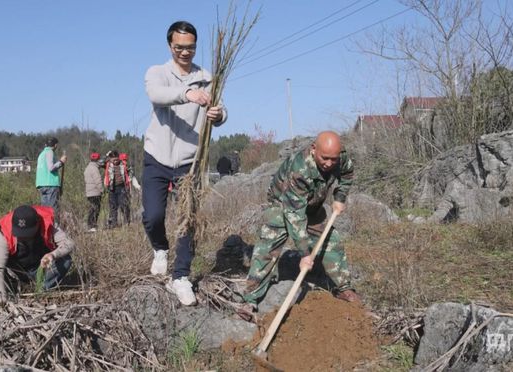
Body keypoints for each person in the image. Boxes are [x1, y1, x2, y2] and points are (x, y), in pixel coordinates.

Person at [142, 20, 227, 305]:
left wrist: (219, 115)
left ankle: (180, 277)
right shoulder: (157, 73)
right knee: (153, 216)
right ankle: (159, 248)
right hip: (157, 156)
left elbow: (221, 109)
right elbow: (157, 95)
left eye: (190, 47)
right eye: (179, 47)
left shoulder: (207, 77)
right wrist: (187, 93)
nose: (185, 52)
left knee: (188, 220)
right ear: (170, 46)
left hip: (189, 163)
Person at [242, 131, 360, 312]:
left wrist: (340, 197)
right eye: (325, 158)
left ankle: (343, 288)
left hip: (312, 204)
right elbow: (295, 215)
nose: (329, 164)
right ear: (314, 149)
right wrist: (305, 253)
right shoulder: (300, 169)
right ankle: (250, 299)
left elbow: (347, 173)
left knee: (331, 241)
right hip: (283, 205)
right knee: (268, 246)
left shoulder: (339, 157)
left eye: (333, 159)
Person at [0, 205, 74, 300]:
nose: (24, 238)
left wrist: (53, 255)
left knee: (65, 260)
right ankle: (13, 290)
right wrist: (2, 297)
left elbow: (69, 244)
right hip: (16, 272)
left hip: (41, 268)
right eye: (20, 233)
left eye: (28, 234)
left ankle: (41, 290)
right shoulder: (5, 231)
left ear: (37, 224)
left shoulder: (47, 221)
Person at [104, 151, 138, 228]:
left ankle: (127, 222)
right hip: (112, 189)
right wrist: (107, 155)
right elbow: (101, 161)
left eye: (116, 159)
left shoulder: (123, 165)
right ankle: (113, 223)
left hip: (122, 188)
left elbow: (131, 172)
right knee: (113, 207)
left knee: (124, 205)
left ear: (119, 158)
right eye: (113, 160)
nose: (115, 161)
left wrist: (133, 183)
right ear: (111, 159)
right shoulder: (108, 165)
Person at [35, 137, 67, 216]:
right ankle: (54, 226)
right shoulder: (50, 152)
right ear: (55, 145)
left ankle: (46, 227)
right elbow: (51, 168)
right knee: (53, 209)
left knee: (44, 211)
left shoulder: (41, 154)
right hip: (50, 184)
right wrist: (61, 162)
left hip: (41, 184)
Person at [84, 152, 103, 232]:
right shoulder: (95, 169)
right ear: (97, 160)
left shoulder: (87, 167)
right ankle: (93, 225)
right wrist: (102, 190)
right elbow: (98, 180)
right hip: (95, 192)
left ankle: (90, 225)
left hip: (89, 192)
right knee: (96, 209)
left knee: (92, 208)